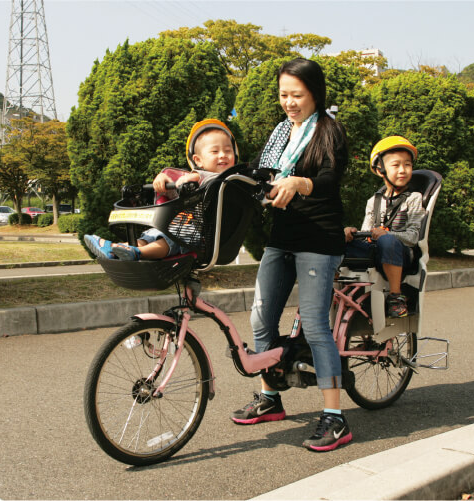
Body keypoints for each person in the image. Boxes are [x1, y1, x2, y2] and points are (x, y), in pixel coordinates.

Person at [230, 58, 352, 452]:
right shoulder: (281, 132)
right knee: (261, 317)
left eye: (296, 95)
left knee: (315, 324)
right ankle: (270, 397)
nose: (289, 102)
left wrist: (301, 181)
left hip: (319, 238)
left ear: (315, 93)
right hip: (281, 236)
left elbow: (332, 179)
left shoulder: (329, 130)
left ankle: (335, 418)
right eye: (284, 95)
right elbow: (261, 171)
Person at [84, 119, 239, 261]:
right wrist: (166, 183)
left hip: (200, 239)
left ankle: (138, 253)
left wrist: (195, 176)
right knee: (150, 236)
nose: (223, 155)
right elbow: (179, 199)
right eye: (215, 151)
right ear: (198, 160)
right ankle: (114, 248)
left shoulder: (232, 180)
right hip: (180, 229)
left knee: (169, 241)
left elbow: (212, 179)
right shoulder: (195, 181)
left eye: (228, 150)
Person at [344, 136, 425, 318]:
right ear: (380, 169)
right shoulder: (373, 201)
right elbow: (366, 235)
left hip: (401, 254)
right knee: (334, 238)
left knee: (387, 240)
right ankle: (331, 291)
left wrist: (387, 234)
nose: (403, 170)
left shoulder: (414, 198)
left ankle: (396, 297)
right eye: (396, 165)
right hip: (375, 252)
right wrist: (351, 233)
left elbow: (413, 237)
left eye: (408, 165)